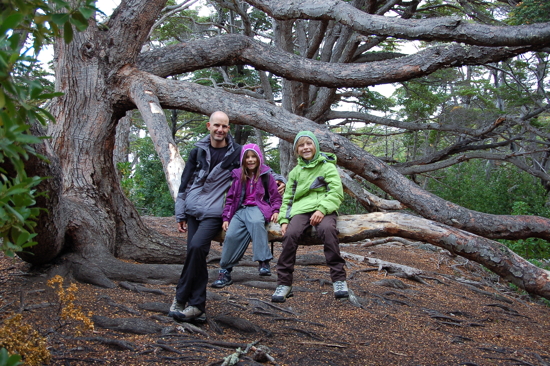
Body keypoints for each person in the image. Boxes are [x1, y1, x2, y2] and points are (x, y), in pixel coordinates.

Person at [168, 111, 285, 322]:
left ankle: (182, 299)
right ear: (209, 126)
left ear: (228, 128)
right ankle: (195, 307)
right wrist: (180, 213)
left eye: (224, 126)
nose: (220, 130)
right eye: (216, 126)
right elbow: (184, 184)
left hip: (214, 211)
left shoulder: (235, 153)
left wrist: (279, 179)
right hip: (193, 209)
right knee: (194, 255)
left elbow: (257, 164)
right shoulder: (198, 152)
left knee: (196, 249)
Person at [271, 131, 348, 303]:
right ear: (296, 150)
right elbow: (288, 198)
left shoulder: (327, 166)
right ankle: (284, 284)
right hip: (301, 210)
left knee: (328, 230)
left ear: (315, 146)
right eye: (301, 145)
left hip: (324, 208)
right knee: (290, 235)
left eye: (308, 144)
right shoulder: (295, 172)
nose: (305, 148)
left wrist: (322, 210)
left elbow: (336, 192)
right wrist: (284, 220)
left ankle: (339, 280)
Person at [211, 143, 282, 288]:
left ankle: (263, 261)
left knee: (256, 222)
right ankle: (225, 270)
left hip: (258, 207)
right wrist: (226, 217)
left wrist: (275, 210)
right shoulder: (237, 176)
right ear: (243, 159)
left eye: (253, 157)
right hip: (240, 210)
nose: (250, 160)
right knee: (230, 235)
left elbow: (275, 197)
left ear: (259, 158)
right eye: (247, 157)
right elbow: (230, 199)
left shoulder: (266, 176)